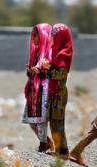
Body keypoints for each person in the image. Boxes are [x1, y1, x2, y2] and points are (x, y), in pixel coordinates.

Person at [41, 23, 73, 160]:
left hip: (59, 93)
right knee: (54, 122)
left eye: (55, 35)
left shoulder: (63, 53)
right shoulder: (55, 50)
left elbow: (62, 74)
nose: (52, 38)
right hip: (54, 92)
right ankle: (60, 149)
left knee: (58, 122)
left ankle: (63, 152)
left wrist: (48, 68)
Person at [22, 23, 53, 152]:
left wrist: (40, 71)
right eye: (33, 35)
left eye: (36, 35)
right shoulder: (35, 53)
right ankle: (47, 142)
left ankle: (43, 144)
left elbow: (51, 73)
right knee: (30, 120)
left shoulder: (49, 53)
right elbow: (31, 73)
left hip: (43, 90)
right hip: (33, 90)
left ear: (43, 35)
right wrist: (30, 71)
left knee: (41, 120)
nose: (33, 38)